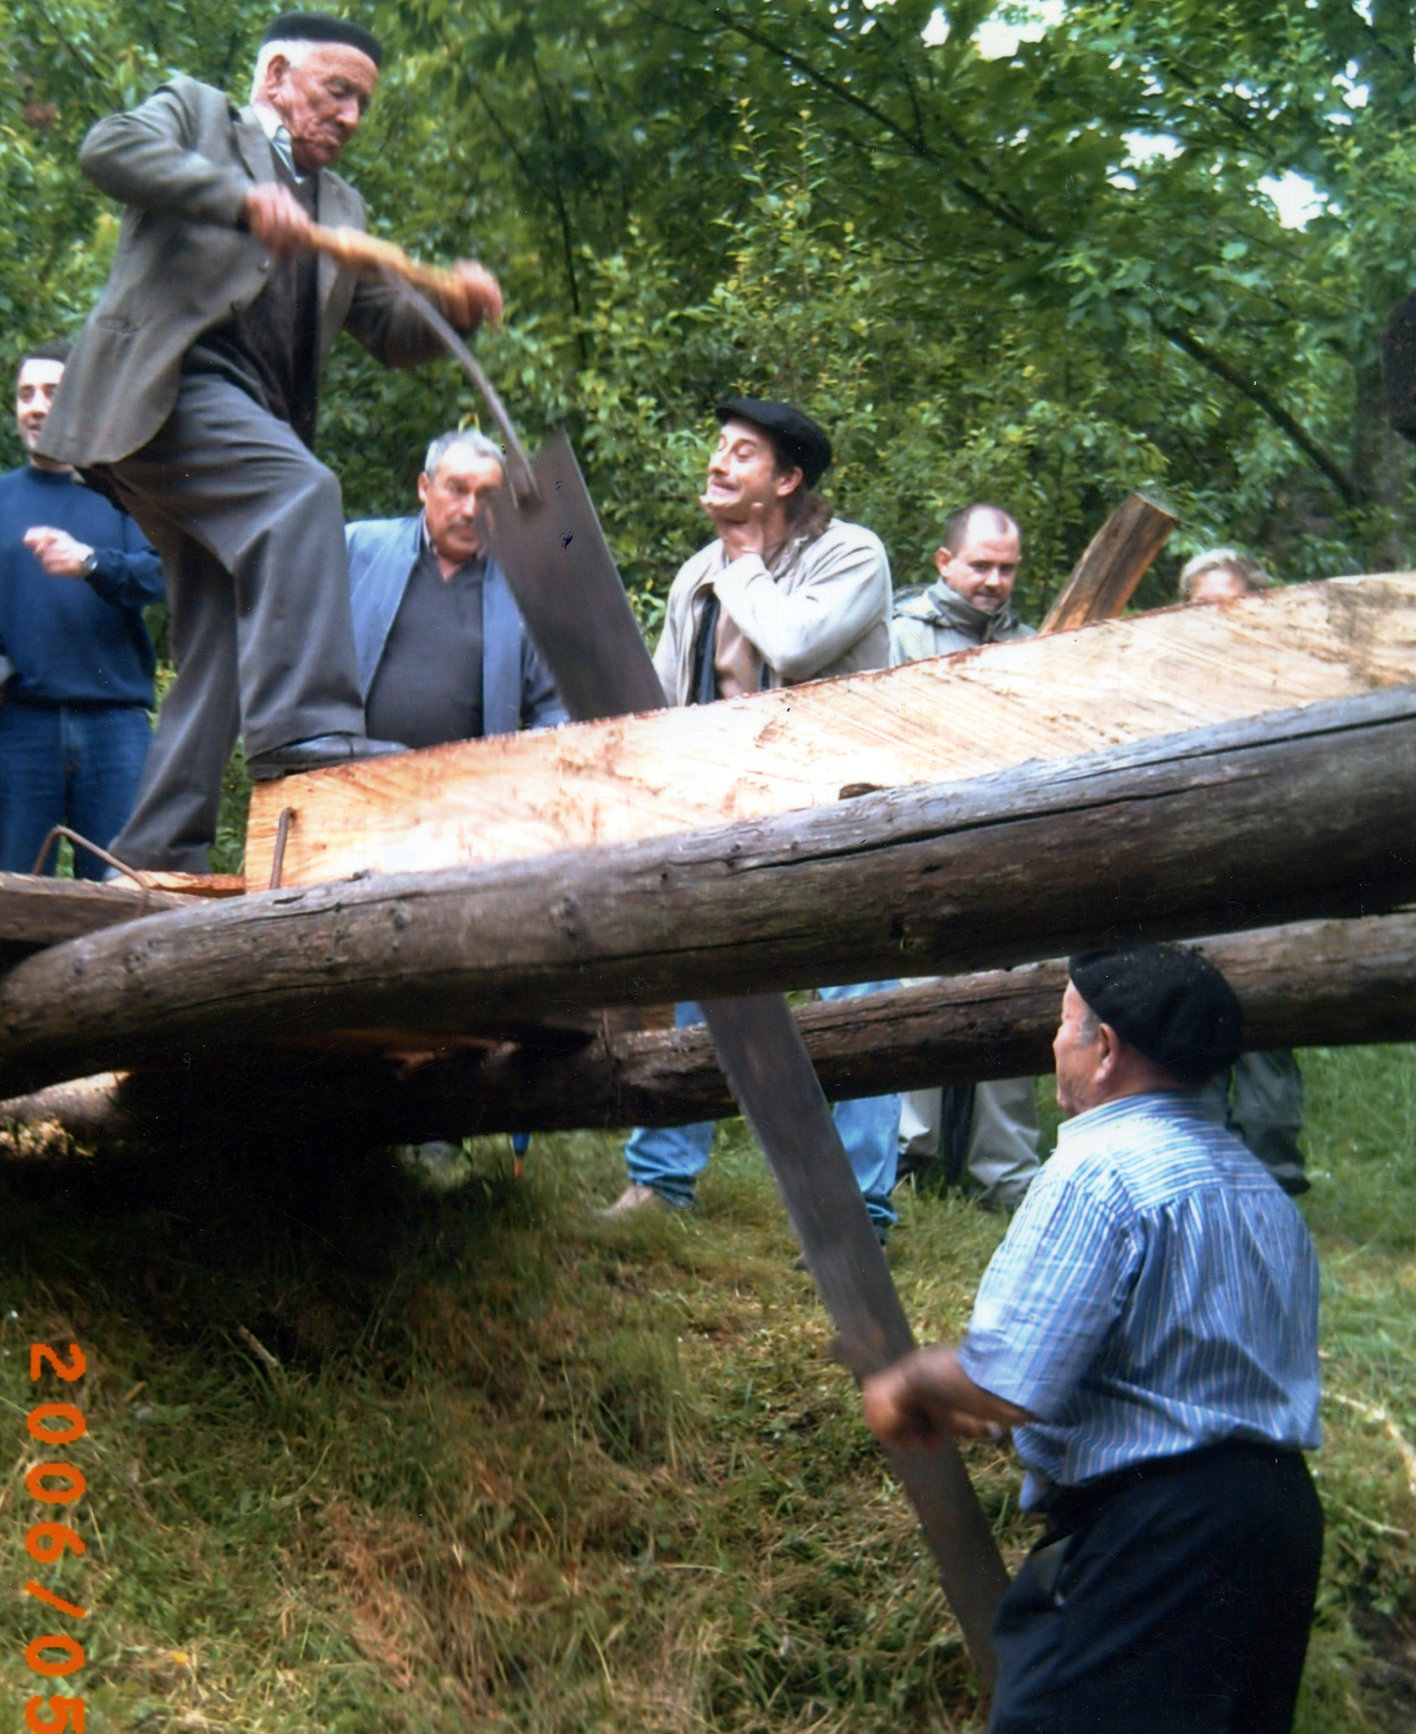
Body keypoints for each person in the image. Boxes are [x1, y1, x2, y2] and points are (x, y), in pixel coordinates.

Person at [862, 942, 1323, 1734]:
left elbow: (1010, 1375)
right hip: (1274, 1523)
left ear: (1105, 1047)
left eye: (1065, 1021)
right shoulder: (1259, 1192)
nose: (1054, 1040)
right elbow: (1171, 1380)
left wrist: (910, 1385)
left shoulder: (1098, 1171)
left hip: (1157, 1540)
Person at [39, 12, 504, 872]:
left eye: (363, 102)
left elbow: (392, 330)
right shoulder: (198, 117)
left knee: (216, 626)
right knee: (302, 494)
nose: (353, 116)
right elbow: (107, 150)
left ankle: (156, 854)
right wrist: (239, 200)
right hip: (168, 396)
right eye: (339, 92)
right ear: (278, 74)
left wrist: (453, 308)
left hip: (235, 429)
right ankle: (307, 735)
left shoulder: (342, 209)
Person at [603, 397, 901, 1240]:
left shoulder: (852, 554)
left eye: (742, 454)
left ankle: (859, 1211)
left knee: (858, 997)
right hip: (720, 811)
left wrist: (737, 567)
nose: (718, 463)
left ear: (787, 479)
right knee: (704, 984)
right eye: (718, 448)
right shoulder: (699, 572)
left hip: (834, 806)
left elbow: (796, 644)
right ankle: (660, 1183)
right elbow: (661, 698)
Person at [891, 504, 1041, 1211]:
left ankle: (1004, 1172)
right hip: (917, 845)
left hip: (1007, 848)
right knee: (915, 994)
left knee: (1012, 998)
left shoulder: (1037, 643)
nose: (993, 581)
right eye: (980, 564)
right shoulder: (896, 635)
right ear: (942, 562)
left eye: (1006, 568)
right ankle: (906, 1155)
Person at [0, 343, 165, 881]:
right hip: (21, 726)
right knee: (13, 900)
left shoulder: (121, 492)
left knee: (121, 901)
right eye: (26, 394)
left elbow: (161, 575)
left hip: (115, 727)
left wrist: (91, 562)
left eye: (51, 391)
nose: (36, 405)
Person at [1179, 548, 1307, 1193]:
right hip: (1191, 882)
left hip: (1264, 879)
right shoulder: (1162, 682)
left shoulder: (1285, 681)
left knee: (1264, 1032)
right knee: (1189, 1030)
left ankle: (1272, 1178)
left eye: (1233, 603)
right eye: (1203, 605)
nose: (1218, 618)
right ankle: (1199, 1178)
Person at [345, 428, 564, 745]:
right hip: (350, 781)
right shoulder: (359, 549)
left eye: (487, 497)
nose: (470, 511)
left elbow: (554, 707)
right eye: (456, 490)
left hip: (468, 788)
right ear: (424, 487)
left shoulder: (523, 588)